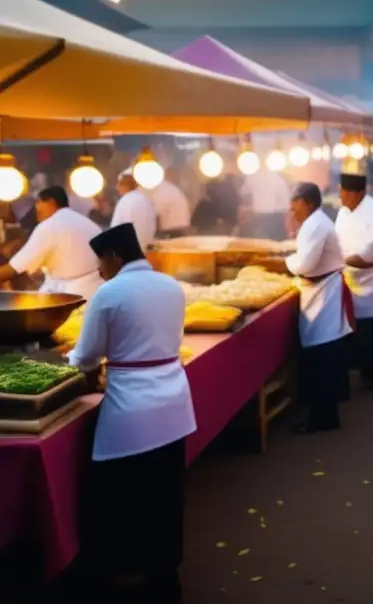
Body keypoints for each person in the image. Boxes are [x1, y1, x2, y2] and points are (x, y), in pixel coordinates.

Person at [68, 223, 195, 601]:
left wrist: (69, 365)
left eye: (100, 262)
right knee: (165, 496)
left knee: (117, 497)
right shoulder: (171, 286)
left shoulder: (109, 293)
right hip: (173, 403)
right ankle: (164, 579)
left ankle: (111, 577)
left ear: (115, 256)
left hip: (132, 410)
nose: (98, 270)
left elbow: (86, 357)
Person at [285, 183, 353, 433]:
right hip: (320, 290)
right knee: (321, 352)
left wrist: (285, 260)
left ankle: (322, 416)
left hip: (323, 293)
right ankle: (323, 413)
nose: (292, 209)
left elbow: (305, 264)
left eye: (296, 204)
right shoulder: (313, 222)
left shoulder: (315, 224)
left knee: (322, 354)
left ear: (309, 203)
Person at [335, 173, 373, 390]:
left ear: (360, 192)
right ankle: (360, 369)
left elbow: (368, 251)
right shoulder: (342, 212)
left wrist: (339, 261)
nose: (342, 197)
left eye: (346, 193)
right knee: (354, 327)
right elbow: (336, 240)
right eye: (341, 191)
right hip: (348, 276)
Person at [0, 186, 104, 298]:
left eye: (38, 203)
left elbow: (16, 268)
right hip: (96, 290)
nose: (36, 208)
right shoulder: (87, 222)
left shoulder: (49, 225)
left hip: (73, 296)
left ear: (51, 202)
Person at [240, 167, 291, 240]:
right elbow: (285, 201)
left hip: (259, 214)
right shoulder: (278, 179)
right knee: (276, 241)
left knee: (259, 241)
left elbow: (245, 195)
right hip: (274, 215)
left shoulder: (251, 177)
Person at [111, 173, 158, 249]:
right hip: (147, 248)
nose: (117, 188)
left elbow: (115, 229)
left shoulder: (125, 200)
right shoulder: (145, 199)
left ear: (125, 186)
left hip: (130, 250)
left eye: (119, 184)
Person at [149, 167, 192, 238]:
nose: (178, 179)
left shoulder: (165, 189)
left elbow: (154, 214)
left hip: (173, 232)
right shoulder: (167, 189)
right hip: (176, 232)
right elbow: (155, 213)